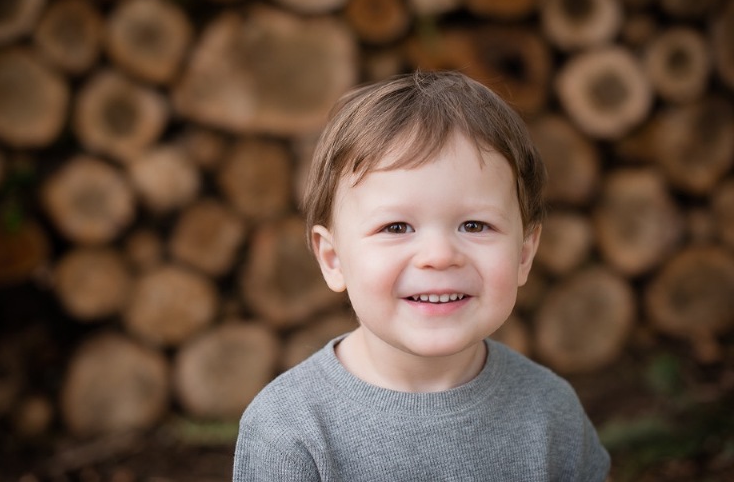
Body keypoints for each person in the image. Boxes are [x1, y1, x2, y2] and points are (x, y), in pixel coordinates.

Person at [233, 70, 610, 481]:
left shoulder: (551, 413)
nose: (439, 256)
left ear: (523, 254)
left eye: (475, 225)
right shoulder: (289, 431)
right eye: (396, 227)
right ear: (333, 258)